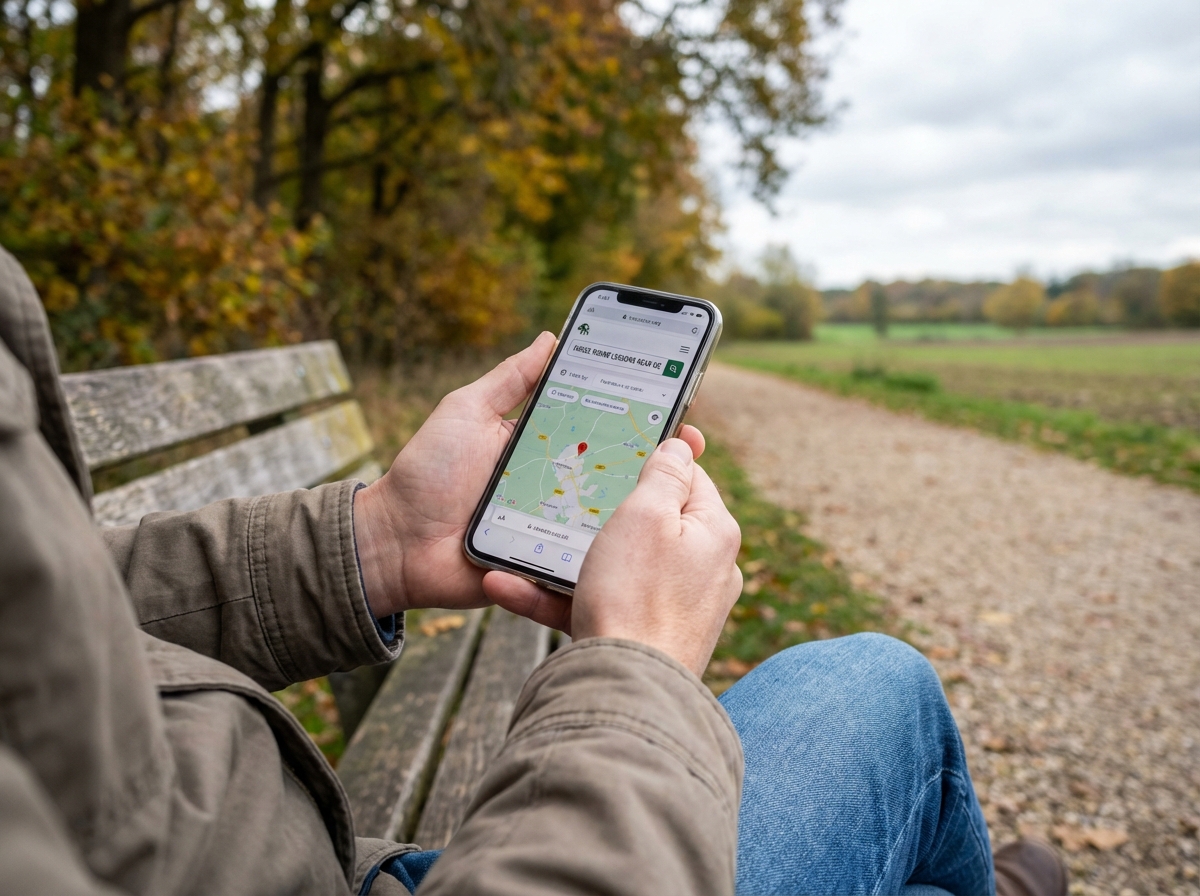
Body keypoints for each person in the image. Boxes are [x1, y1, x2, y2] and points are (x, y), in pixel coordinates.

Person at [0, 245, 1064, 896]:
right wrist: (637, 667)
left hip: (315, 856)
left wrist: (376, 539)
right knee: (883, 685)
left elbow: (40, 630)